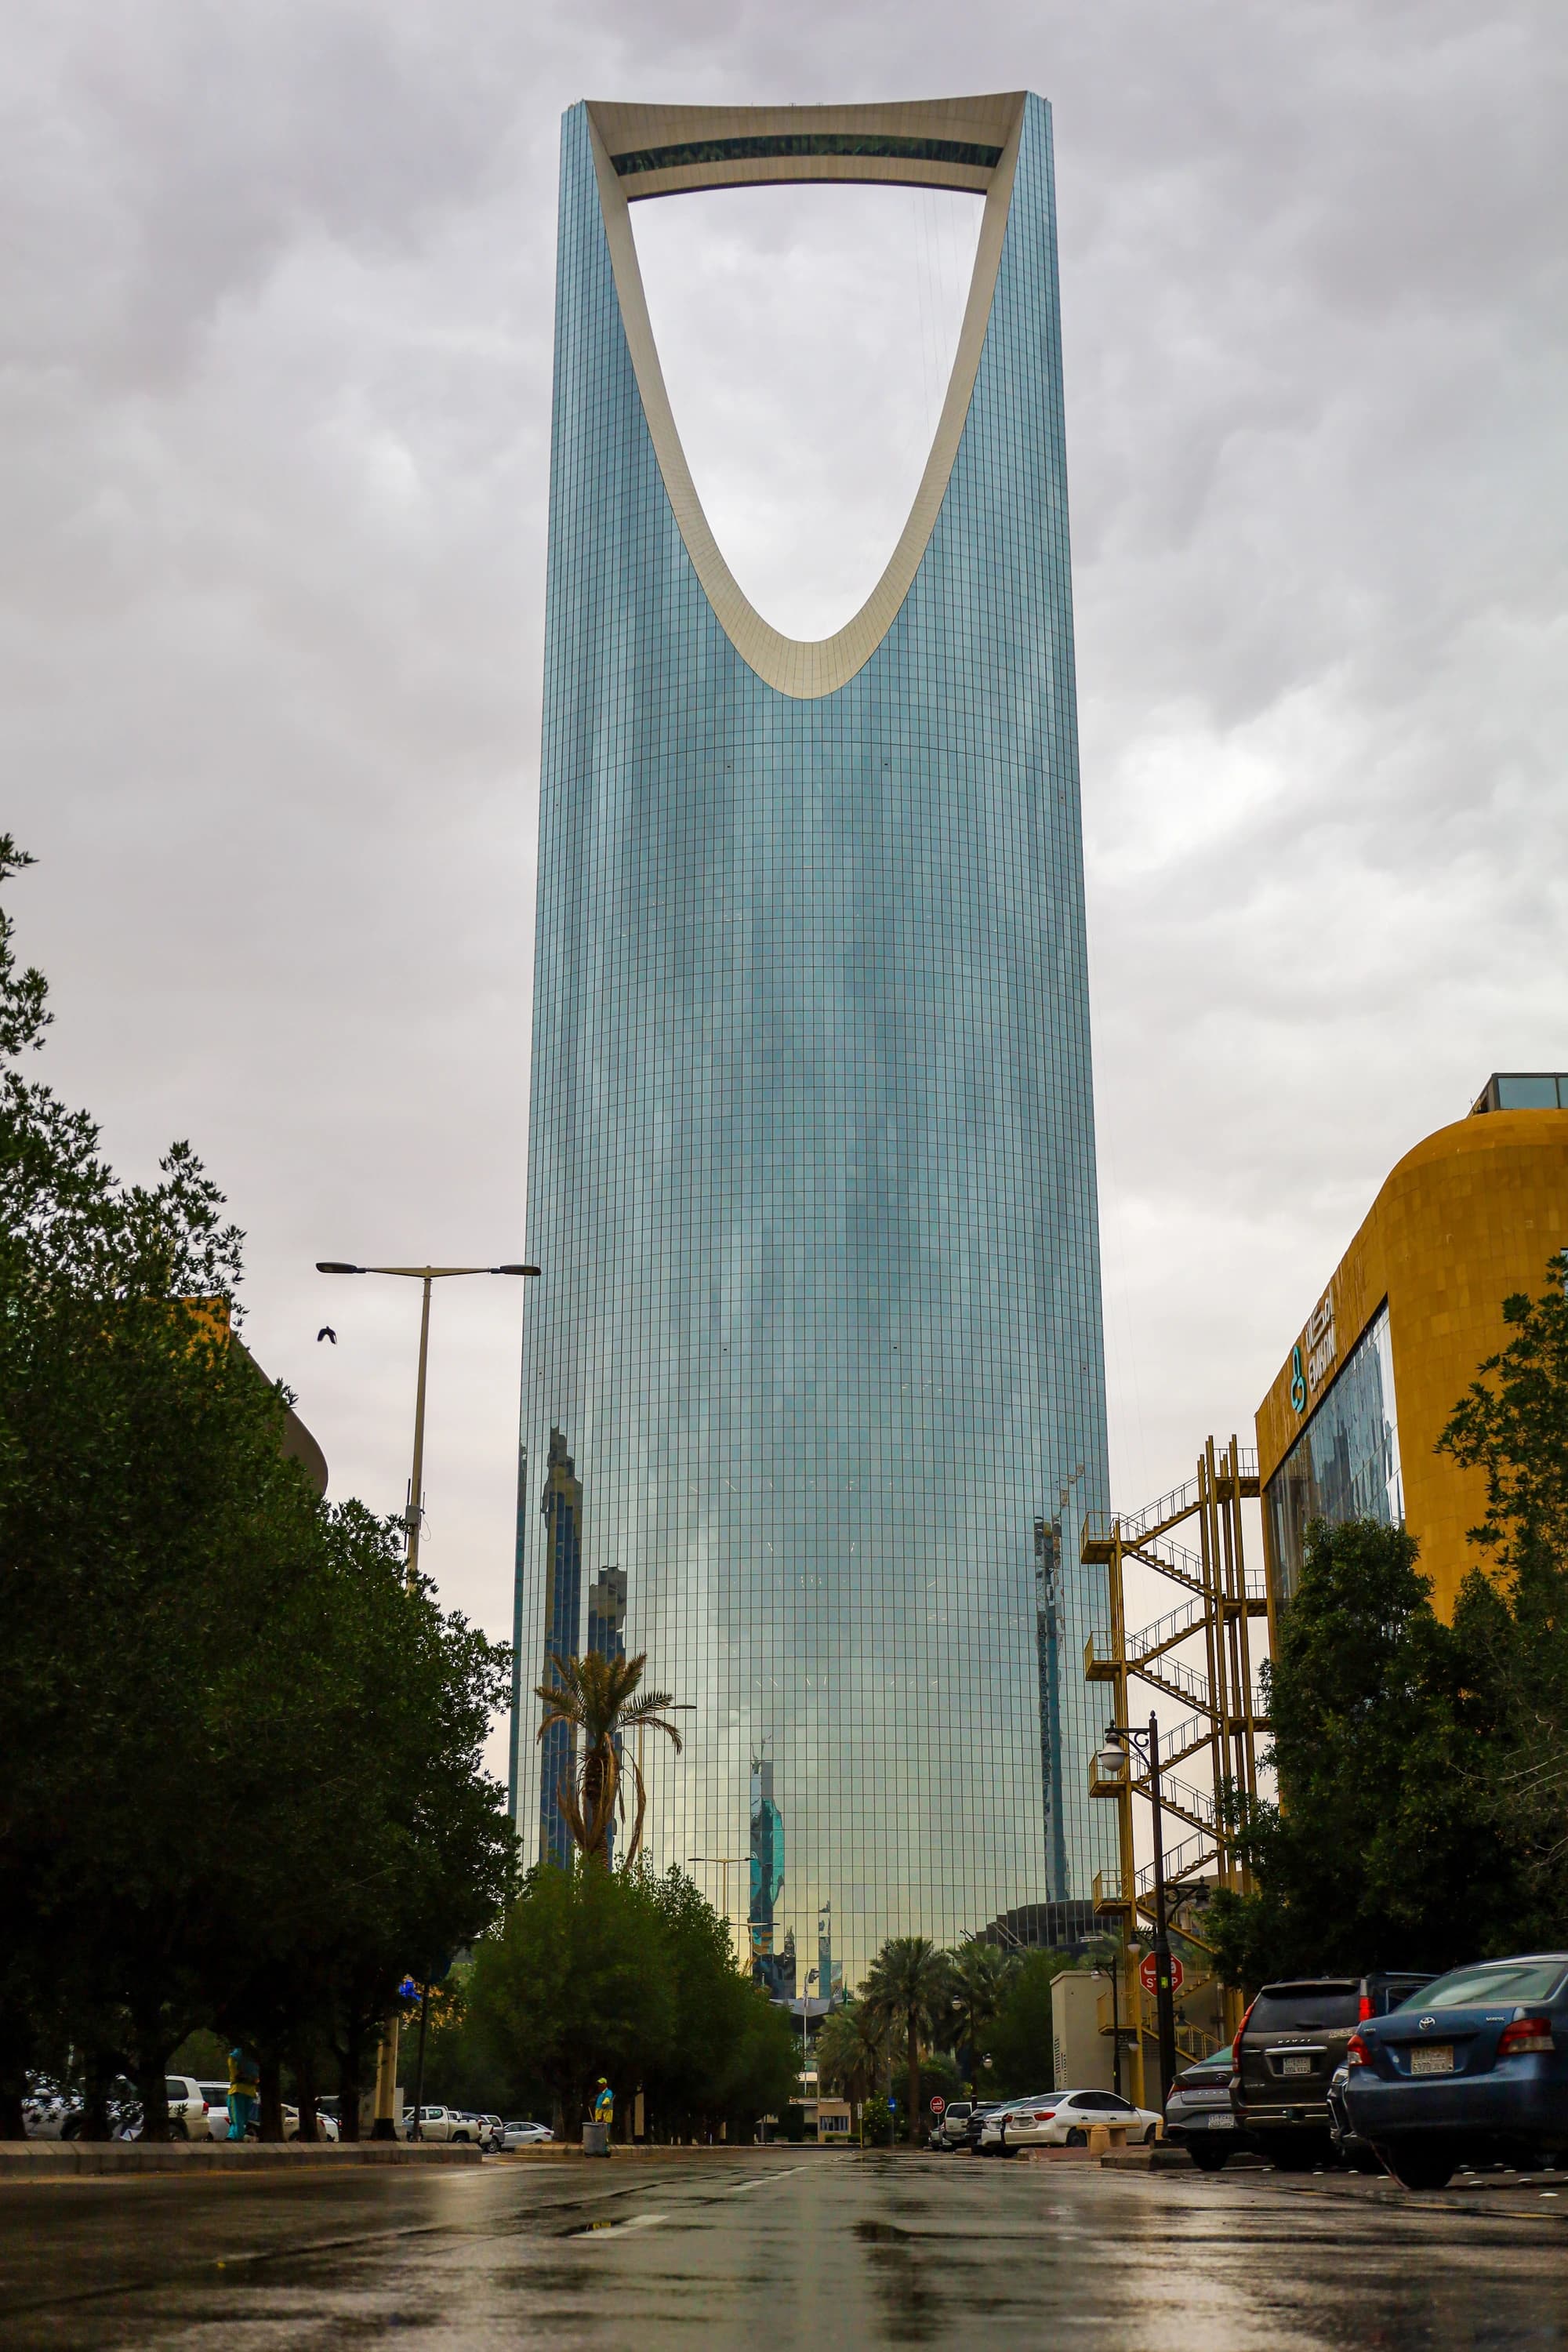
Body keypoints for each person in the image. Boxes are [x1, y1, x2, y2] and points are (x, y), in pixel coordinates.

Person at [227, 2045, 260, 2141]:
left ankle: (236, 2137)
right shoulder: (256, 2053)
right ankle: (233, 2136)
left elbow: (231, 2058)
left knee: (237, 2118)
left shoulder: (242, 2050)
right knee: (242, 2119)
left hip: (238, 2089)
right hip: (248, 2090)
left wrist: (235, 2075)